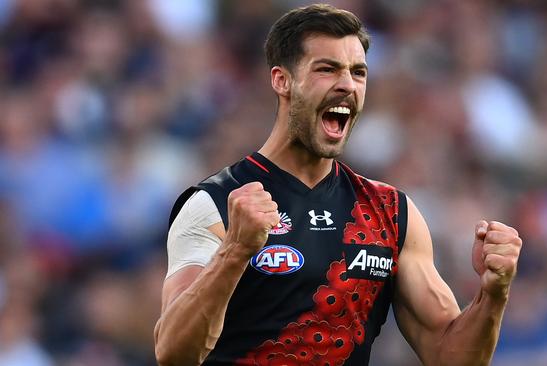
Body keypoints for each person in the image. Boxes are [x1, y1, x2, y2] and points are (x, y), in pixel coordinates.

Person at [154, 4, 522, 366]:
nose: (347, 85)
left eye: (358, 73)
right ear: (282, 80)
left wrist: (492, 292)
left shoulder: (391, 214)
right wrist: (235, 251)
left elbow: (450, 357)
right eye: (327, 70)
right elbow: (173, 352)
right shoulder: (215, 203)